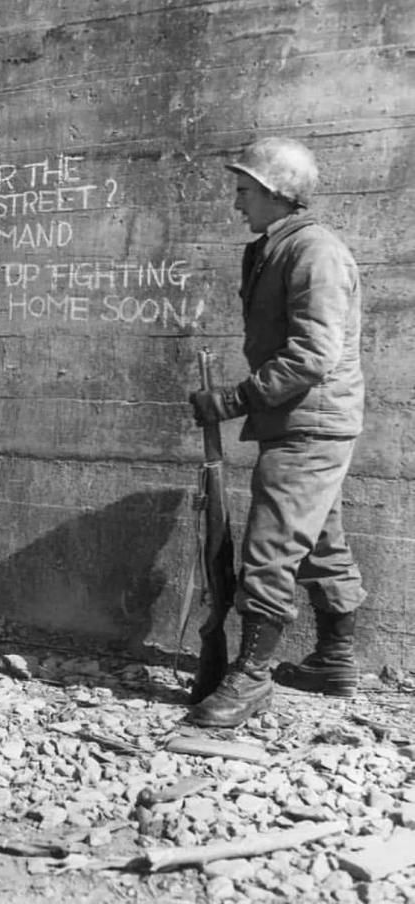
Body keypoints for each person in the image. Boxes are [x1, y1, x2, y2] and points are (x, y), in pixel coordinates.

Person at [187, 137, 365, 728]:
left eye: (244, 191)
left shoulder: (314, 251)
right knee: (319, 540)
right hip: (304, 418)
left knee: (268, 548)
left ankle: (251, 678)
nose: (237, 204)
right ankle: (335, 659)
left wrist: (234, 400)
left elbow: (312, 355)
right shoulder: (279, 247)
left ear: (276, 193)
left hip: (307, 422)